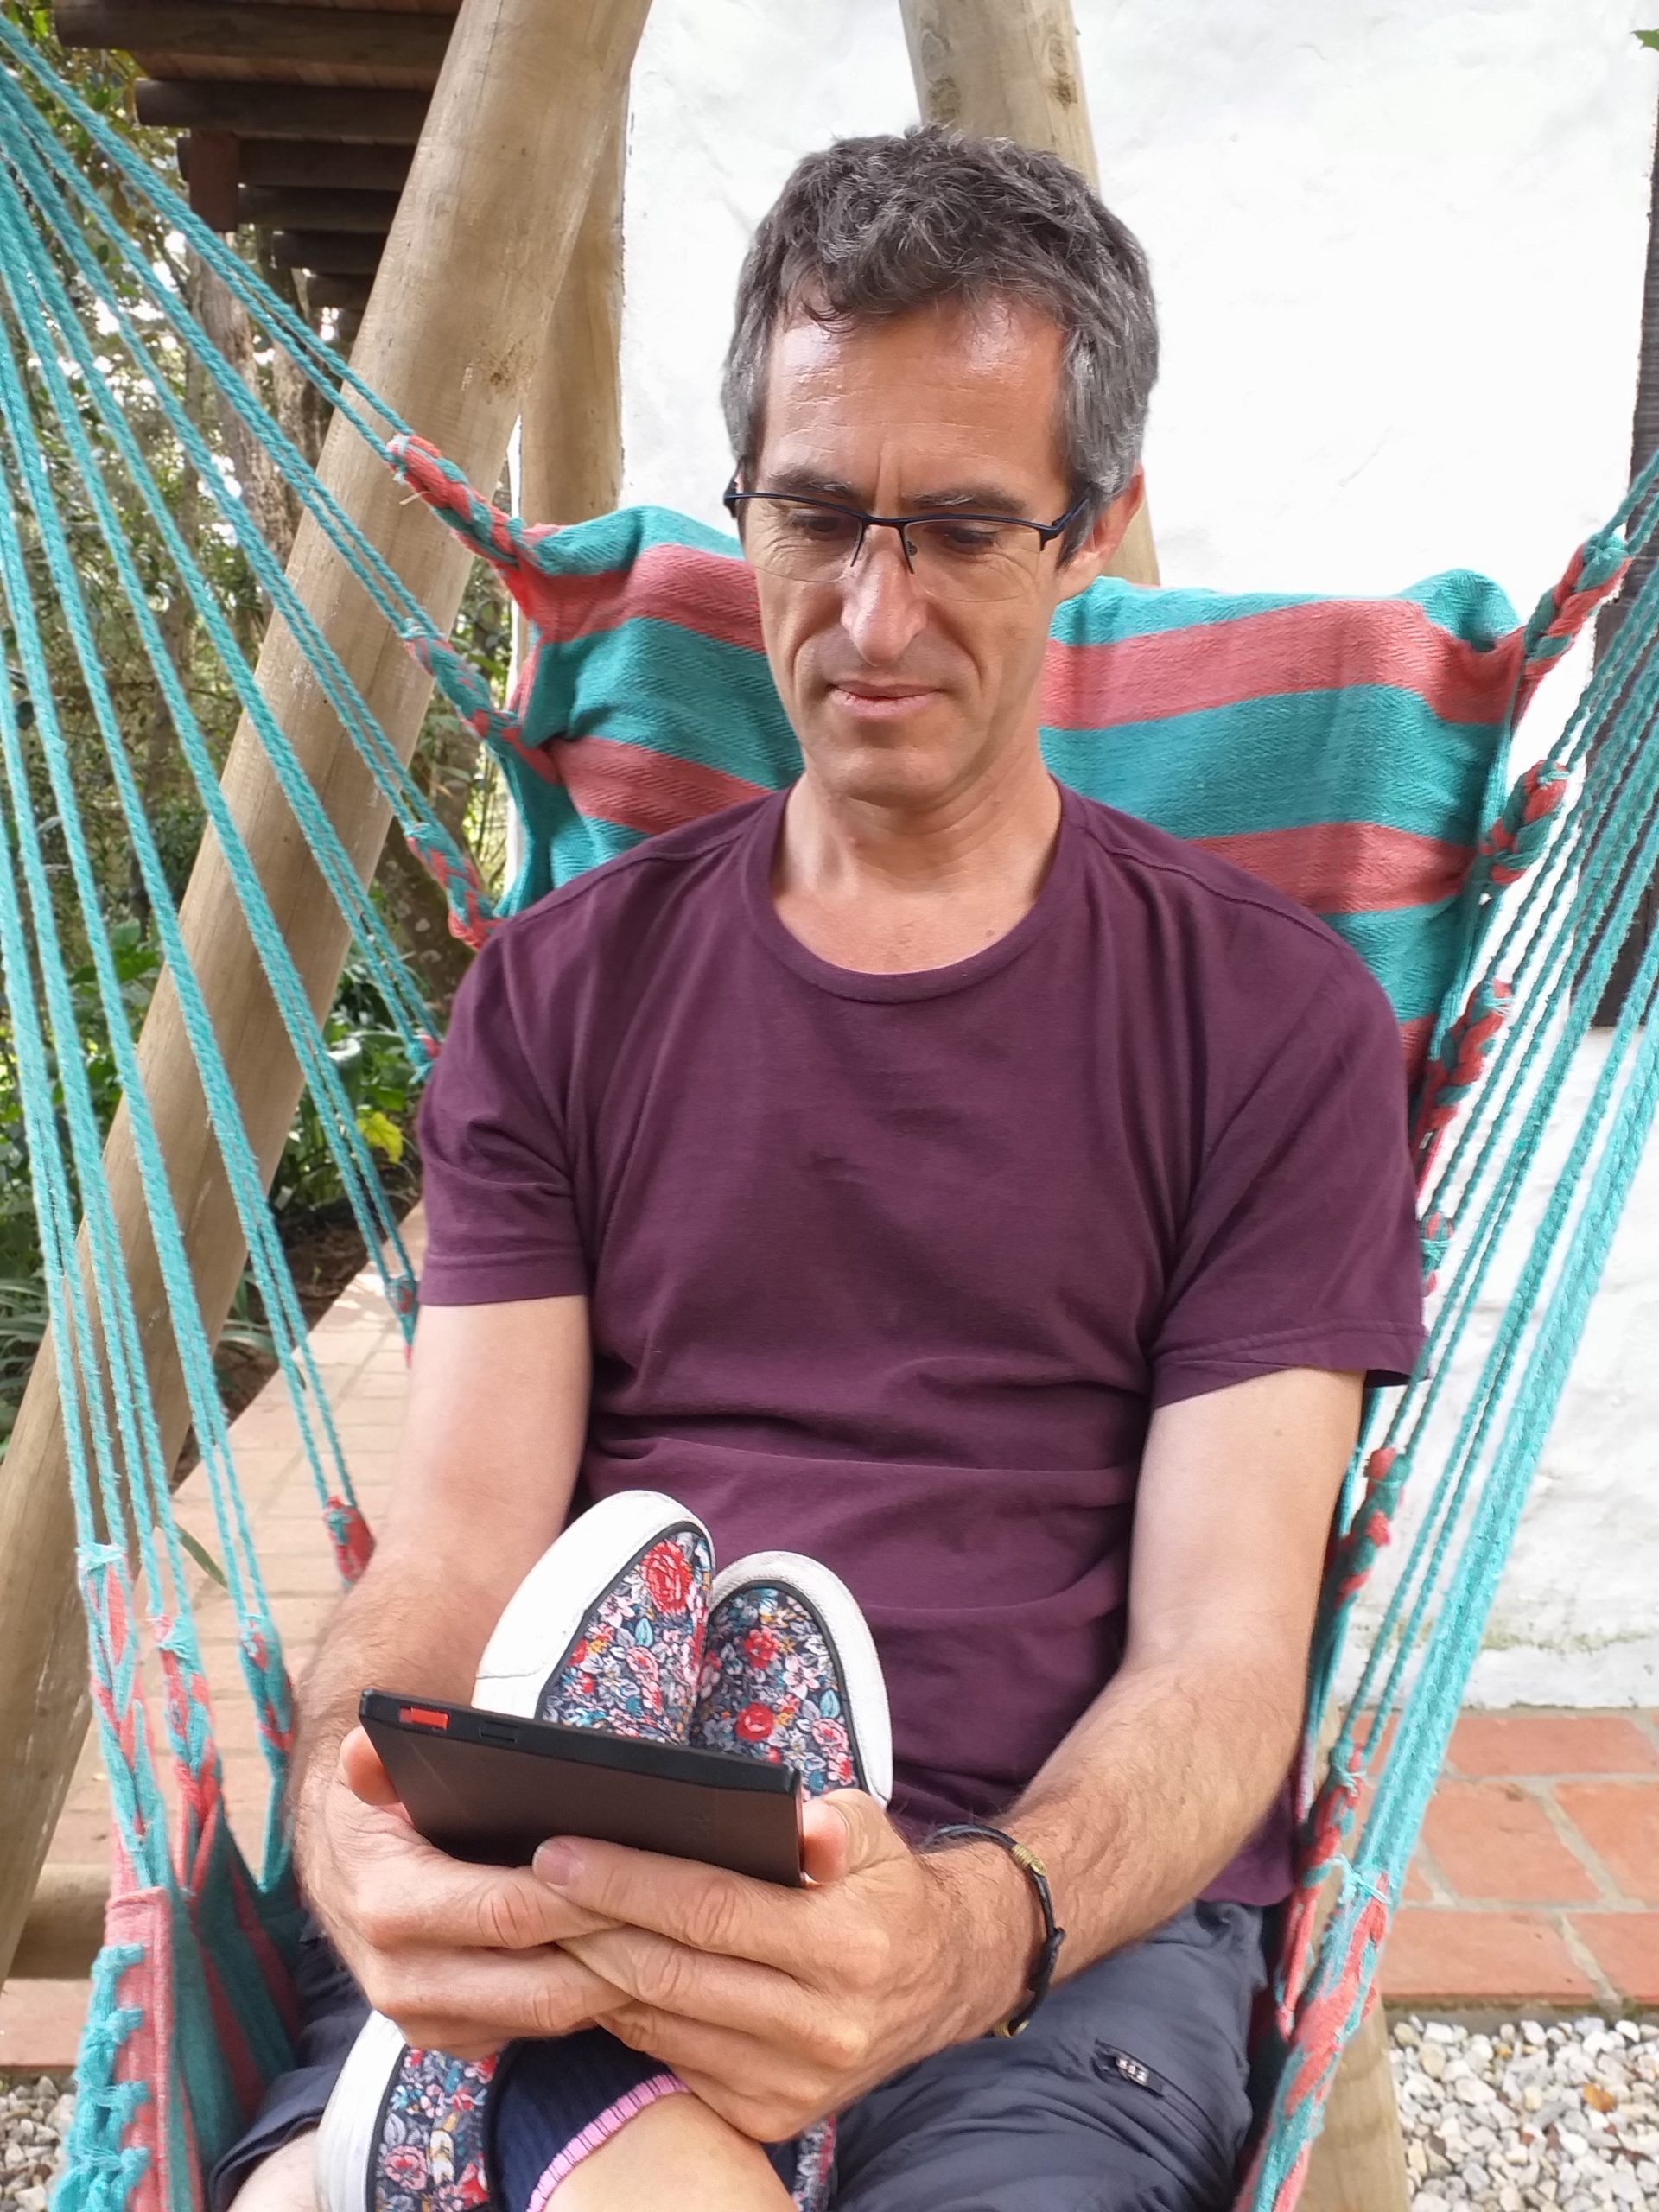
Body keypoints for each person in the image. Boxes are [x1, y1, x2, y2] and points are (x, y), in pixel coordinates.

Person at [221, 124, 1425, 2212]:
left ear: (1094, 530)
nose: (872, 614)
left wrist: (957, 1929)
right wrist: (351, 1825)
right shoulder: (566, 995)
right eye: (816, 513)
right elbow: (455, 1552)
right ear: (747, 501)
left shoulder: (1273, 1022)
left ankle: (505, 2135)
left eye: (962, 528)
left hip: (1052, 1923)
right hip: (604, 1845)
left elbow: (1227, 1659)